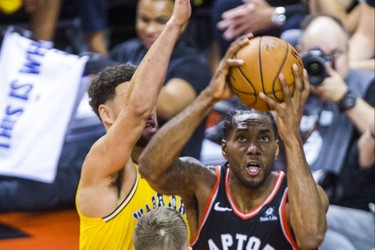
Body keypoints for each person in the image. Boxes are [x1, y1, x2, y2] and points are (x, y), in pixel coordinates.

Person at [139, 33, 328, 249]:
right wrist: (209, 96)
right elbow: (149, 168)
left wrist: (292, 137)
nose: (253, 148)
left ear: (276, 149)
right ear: (224, 149)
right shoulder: (204, 184)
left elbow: (312, 237)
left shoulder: (293, 197)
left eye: (264, 138)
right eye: (242, 138)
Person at [75, 0, 191, 249]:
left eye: (152, 100)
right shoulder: (103, 164)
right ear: (106, 114)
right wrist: (174, 25)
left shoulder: (179, 172)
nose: (148, 109)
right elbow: (138, 110)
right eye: (130, 102)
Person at [298, 14, 375, 250]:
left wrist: (344, 97)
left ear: (349, 53)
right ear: (301, 52)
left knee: (308, 223)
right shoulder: (289, 88)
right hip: (308, 207)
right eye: (317, 55)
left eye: (335, 55)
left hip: (354, 213)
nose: (326, 65)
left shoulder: (366, 86)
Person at [108, 0, 211, 159]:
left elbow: (169, 105)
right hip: (126, 163)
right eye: (144, 19)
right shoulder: (126, 51)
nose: (150, 29)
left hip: (174, 170)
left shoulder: (194, 65)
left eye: (161, 21)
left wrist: (113, 72)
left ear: (181, 22)